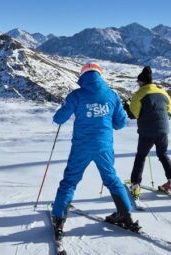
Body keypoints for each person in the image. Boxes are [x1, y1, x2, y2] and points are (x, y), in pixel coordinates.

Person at [51, 63, 136, 235]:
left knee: (70, 181)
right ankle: (125, 215)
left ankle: (59, 219)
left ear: (83, 75)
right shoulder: (112, 95)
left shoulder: (76, 94)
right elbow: (120, 124)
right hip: (104, 146)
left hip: (81, 146)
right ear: (100, 75)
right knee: (112, 179)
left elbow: (59, 119)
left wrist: (66, 107)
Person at [125, 66, 171, 197]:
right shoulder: (163, 92)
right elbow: (168, 109)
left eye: (138, 82)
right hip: (163, 130)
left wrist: (126, 107)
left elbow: (134, 114)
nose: (138, 84)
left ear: (142, 81)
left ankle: (135, 185)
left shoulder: (139, 94)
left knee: (141, 157)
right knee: (163, 154)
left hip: (147, 131)